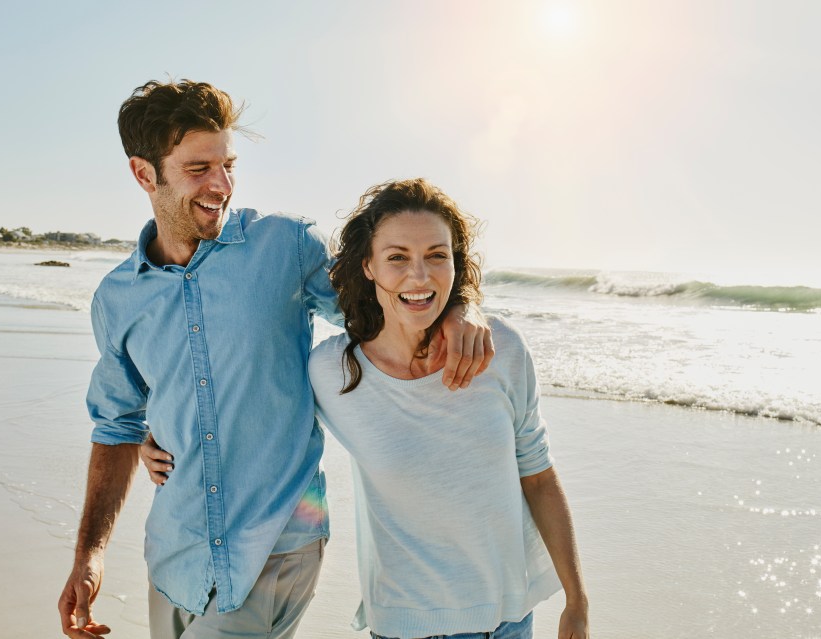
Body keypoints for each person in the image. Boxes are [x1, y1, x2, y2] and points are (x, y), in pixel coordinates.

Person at [57, 80, 493, 639]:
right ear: (145, 174)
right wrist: (89, 557)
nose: (222, 185)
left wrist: (460, 305)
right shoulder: (118, 299)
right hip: (174, 555)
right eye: (198, 169)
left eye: (228, 164)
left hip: (276, 545)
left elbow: (388, 300)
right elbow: (117, 424)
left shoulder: (285, 245)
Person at [145, 178, 590, 638]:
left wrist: (577, 601)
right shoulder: (332, 372)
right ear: (369, 267)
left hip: (509, 621)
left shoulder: (499, 350)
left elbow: (537, 476)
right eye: (397, 257)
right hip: (404, 625)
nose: (419, 276)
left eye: (437, 255)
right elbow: (252, 407)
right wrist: (159, 430)